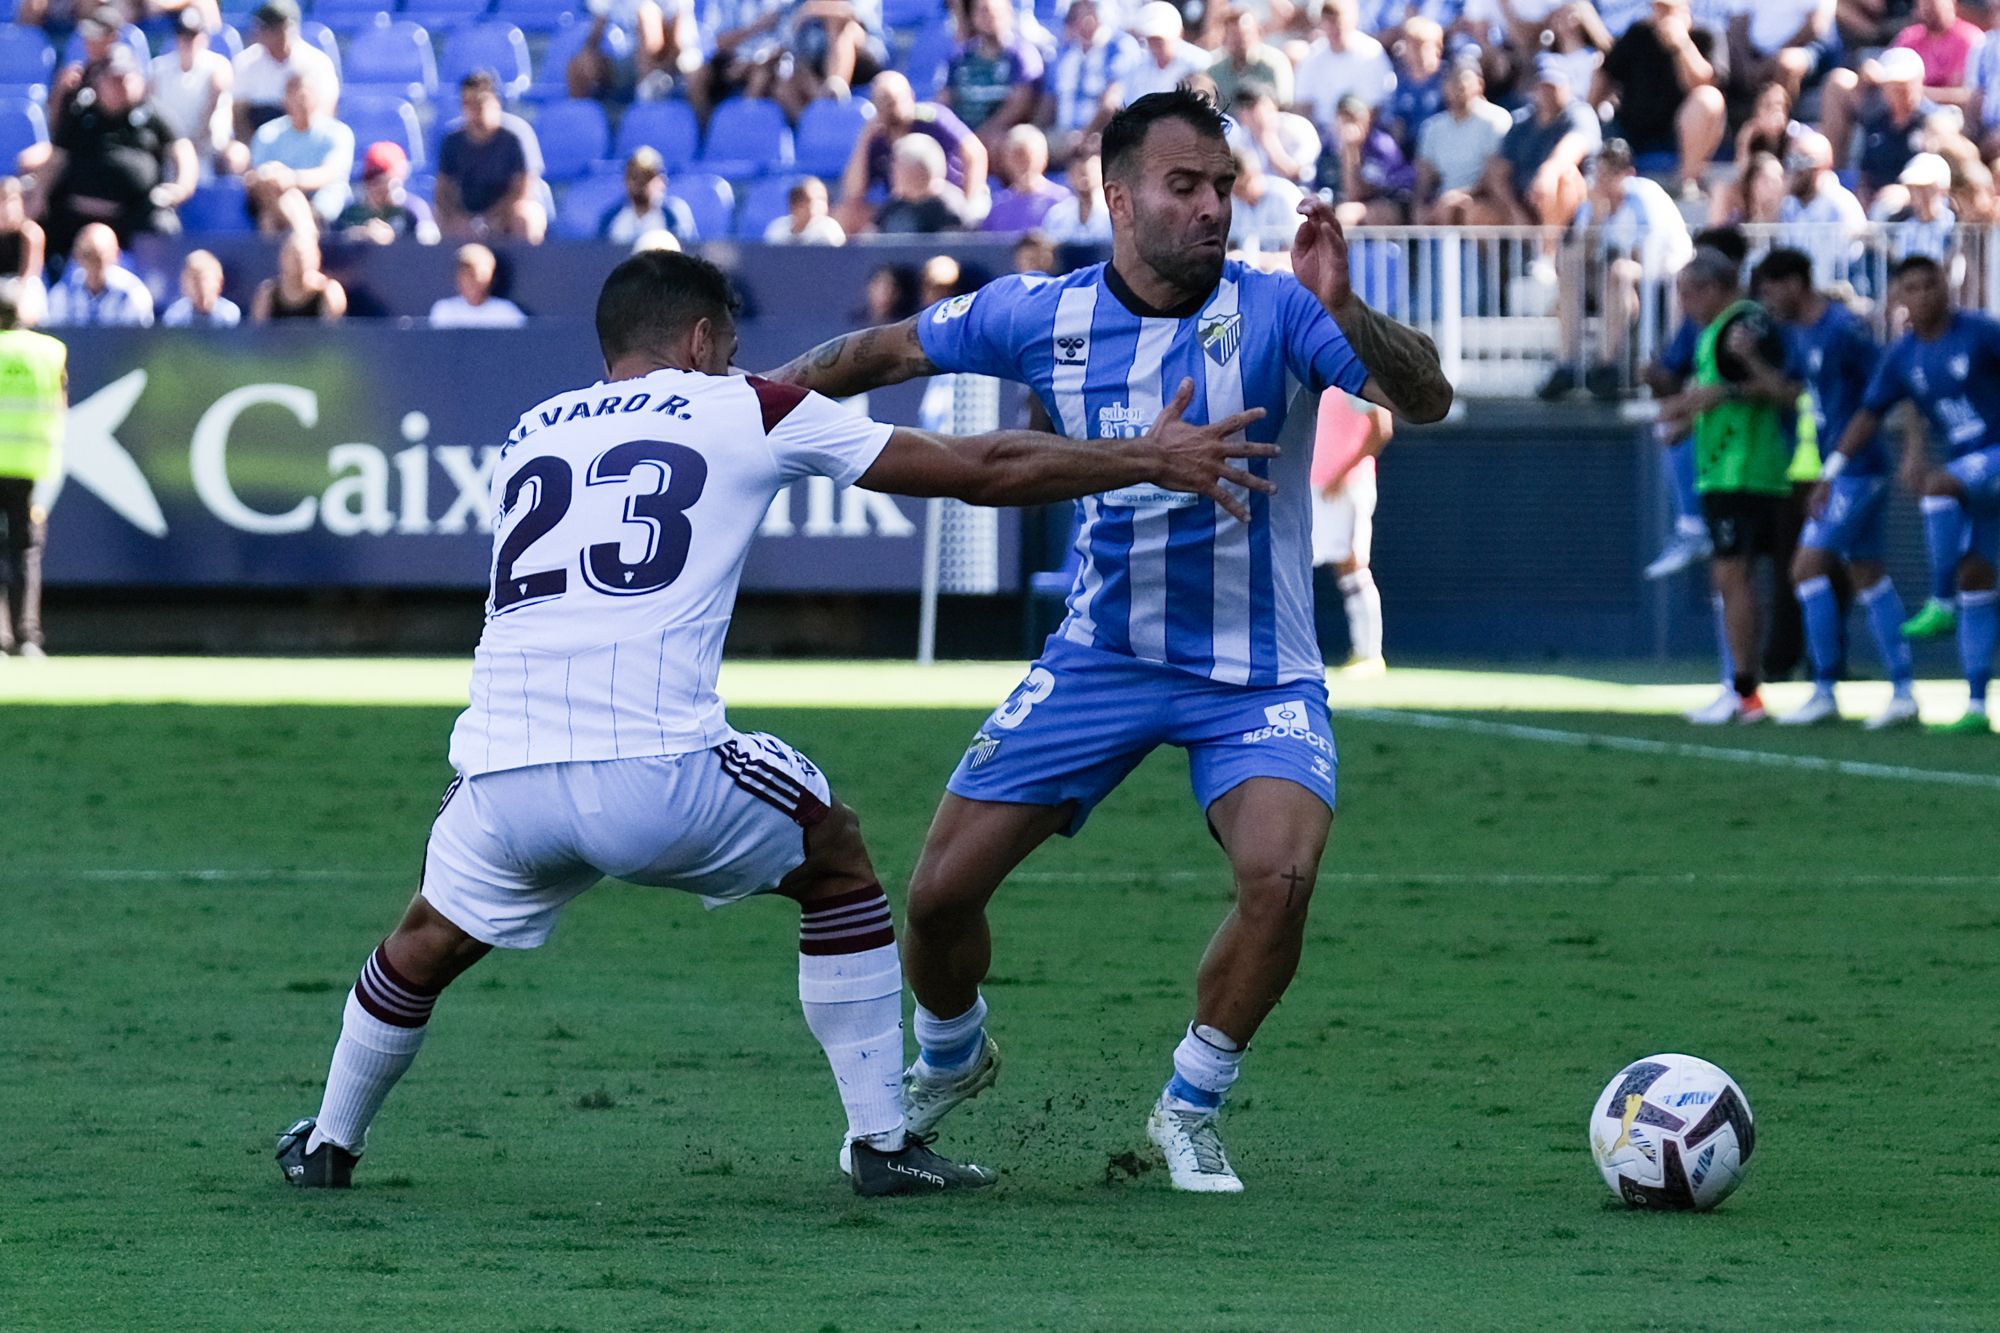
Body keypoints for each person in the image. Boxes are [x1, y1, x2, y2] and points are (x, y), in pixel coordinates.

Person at [271, 246, 1274, 1196]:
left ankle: (327, 1139)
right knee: (833, 852)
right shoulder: (740, 404)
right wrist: (1141, 456)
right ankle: (883, 1140)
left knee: (426, 937)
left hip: (498, 775)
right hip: (653, 770)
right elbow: (978, 469)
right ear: (704, 339)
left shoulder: (536, 426)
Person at [760, 88, 1452, 1193]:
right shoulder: (1041, 312)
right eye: (1184, 186)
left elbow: (1425, 398)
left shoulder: (1277, 310)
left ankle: (1190, 1101)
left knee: (1277, 878)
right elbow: (877, 354)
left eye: (1223, 187)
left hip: (1252, 673)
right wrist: (739, 405)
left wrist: (1349, 308)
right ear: (1116, 196)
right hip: (1101, 659)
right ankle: (951, 1054)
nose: (1211, 208)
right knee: (937, 898)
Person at [1824, 254, 2000, 733]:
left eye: (1931, 284)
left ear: (1947, 287)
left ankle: (1938, 602)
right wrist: (1832, 470)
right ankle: (1979, 706)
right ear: (1898, 298)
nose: (1923, 295)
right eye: (1912, 288)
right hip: (1977, 472)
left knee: (1939, 488)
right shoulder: (1902, 356)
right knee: (1977, 578)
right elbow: (1870, 413)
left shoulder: (1982, 332)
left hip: (1992, 454)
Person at [1750, 247, 1917, 729]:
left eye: (1770, 288)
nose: (1767, 300)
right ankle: (1903, 692)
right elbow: (1794, 391)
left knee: (1805, 569)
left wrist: (1907, 446)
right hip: (1835, 466)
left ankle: (1825, 688)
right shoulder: (1799, 334)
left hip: (1857, 468)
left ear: (1796, 283)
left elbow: (1887, 388)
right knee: (1867, 574)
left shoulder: (1843, 331)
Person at [1658, 247, 1805, 725]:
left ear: (1715, 288)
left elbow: (1783, 390)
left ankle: (1744, 692)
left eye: (1688, 293)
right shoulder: (1718, 332)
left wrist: (1716, 395)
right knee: (1734, 580)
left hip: (1743, 470)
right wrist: (1692, 416)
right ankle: (1742, 688)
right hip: (1726, 467)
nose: (1685, 304)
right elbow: (1723, 393)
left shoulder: (1745, 325)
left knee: (1733, 579)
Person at [1543, 139, 1691, 400]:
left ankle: (1606, 364)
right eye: (1600, 172)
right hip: (1615, 278)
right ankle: (1567, 364)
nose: (1603, 179)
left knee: (1620, 271)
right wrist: (1597, 220)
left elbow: (1648, 253)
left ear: (1627, 174)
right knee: (1570, 261)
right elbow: (1580, 255)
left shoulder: (1645, 196)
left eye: (1611, 173)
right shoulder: (1593, 204)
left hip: (1663, 273)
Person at [33, 47, 195, 259]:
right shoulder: (81, 114)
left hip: (133, 213)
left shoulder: (151, 114)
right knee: (35, 224)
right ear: (99, 82)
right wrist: (39, 194)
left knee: (163, 227)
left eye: (127, 79)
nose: (121, 86)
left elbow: (182, 149)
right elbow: (57, 157)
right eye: (114, 80)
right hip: (77, 211)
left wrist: (181, 188)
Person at [1594, 0, 1725, 199]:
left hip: (1680, 140)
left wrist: (1681, 45)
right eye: (1657, 8)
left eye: (1668, 9)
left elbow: (1705, 82)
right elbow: (1605, 75)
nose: (1661, 14)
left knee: (1709, 99)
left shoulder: (1705, 34)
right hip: (1634, 133)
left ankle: (1685, 183)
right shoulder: (1638, 34)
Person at [836, 71, 987, 236]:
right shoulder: (877, 136)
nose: (888, 108)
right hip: (900, 204)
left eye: (892, 101)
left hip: (941, 199)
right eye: (881, 102)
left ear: (910, 97)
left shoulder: (931, 118)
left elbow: (975, 153)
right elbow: (854, 191)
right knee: (848, 213)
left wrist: (969, 200)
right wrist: (864, 139)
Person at [0, 281, 64, 658]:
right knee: (25, 552)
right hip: (29, 466)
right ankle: (28, 638)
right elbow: (60, 403)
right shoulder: (49, 352)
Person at [1310, 389, 1391, 674]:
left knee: (1353, 566)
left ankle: (1369, 656)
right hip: (1315, 487)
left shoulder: (1357, 373)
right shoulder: (1315, 372)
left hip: (1348, 488)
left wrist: (1342, 475)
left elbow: (1382, 429)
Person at [1470, 55, 1596, 228]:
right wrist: (1515, 211)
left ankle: (1548, 250)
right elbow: (1499, 169)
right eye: (1542, 86)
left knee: (1563, 178)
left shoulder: (1579, 114)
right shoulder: (1522, 121)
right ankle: (1515, 252)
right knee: (1476, 212)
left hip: (1572, 204)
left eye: (1553, 86)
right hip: (1523, 202)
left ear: (1567, 86)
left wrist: (1547, 174)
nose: (1546, 92)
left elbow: (1573, 147)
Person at [436, 71, 548, 245]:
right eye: (467, 104)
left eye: (480, 103)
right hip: (468, 215)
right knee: (437, 219)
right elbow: (442, 191)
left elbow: (522, 190)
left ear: (496, 102)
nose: (474, 111)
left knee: (525, 218)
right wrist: (460, 219)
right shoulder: (451, 140)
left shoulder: (516, 136)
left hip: (508, 212)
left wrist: (489, 220)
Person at [243, 71, 353, 234]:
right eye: (295, 92)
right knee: (271, 209)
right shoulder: (268, 133)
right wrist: (276, 179)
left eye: (307, 92)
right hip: (275, 200)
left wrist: (292, 179)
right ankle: (303, 236)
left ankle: (299, 236)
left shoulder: (338, 132)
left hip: (321, 201)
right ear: (285, 99)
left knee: (271, 219)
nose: (302, 98)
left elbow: (331, 172)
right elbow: (259, 176)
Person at [1413, 60, 1510, 225]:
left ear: (1479, 84)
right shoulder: (1433, 127)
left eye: (1462, 79)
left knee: (1471, 213)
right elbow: (1424, 174)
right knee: (1423, 213)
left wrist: (1462, 194)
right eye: (1451, 80)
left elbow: (1495, 170)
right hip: (1443, 197)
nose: (1457, 86)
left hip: (1482, 196)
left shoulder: (1496, 119)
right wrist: (1420, 204)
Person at [941, 0, 1044, 153]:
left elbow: (1019, 104)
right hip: (962, 133)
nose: (989, 17)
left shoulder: (1021, 55)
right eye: (983, 11)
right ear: (973, 17)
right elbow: (944, 99)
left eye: (994, 11)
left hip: (999, 135)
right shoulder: (960, 57)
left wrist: (981, 135)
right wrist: (953, 131)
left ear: (1008, 13)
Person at [1044, 0, 1139, 165]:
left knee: (1101, 148)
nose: (1085, 21)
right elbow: (1049, 100)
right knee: (1025, 144)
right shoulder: (1063, 50)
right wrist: (1035, 131)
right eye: (1078, 14)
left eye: (1090, 13)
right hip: (1063, 131)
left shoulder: (1119, 46)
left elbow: (1112, 102)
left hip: (1102, 130)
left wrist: (1084, 135)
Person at [231, 0, 336, 141]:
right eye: (265, 28)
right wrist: (252, 148)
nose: (271, 34)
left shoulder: (317, 62)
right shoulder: (245, 61)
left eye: (277, 28)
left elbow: (325, 111)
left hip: (302, 137)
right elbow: (238, 114)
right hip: (257, 136)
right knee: (236, 155)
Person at [1292, 0, 1396, 138]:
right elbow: (1302, 106)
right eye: (1327, 19)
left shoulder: (1371, 53)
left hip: (1362, 135)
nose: (1333, 26)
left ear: (1353, 18)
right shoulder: (1313, 56)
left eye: (1337, 19)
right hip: (1322, 135)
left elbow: (1376, 108)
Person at [148, 8, 232, 174]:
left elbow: (215, 110)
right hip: (169, 149)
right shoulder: (158, 69)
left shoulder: (217, 66)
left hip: (204, 150)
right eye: (183, 35)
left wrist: (195, 144)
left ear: (203, 37)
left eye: (193, 35)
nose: (188, 41)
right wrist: (172, 146)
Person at [566, 0, 696, 103]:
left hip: (670, 62)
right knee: (580, 64)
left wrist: (663, 71)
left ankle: (648, 95)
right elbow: (594, 36)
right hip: (624, 62)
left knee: (647, 11)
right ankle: (578, 123)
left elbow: (678, 43)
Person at [45, 221, 152, 325]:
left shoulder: (133, 293)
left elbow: (136, 339)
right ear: (76, 256)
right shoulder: (63, 291)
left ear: (116, 255)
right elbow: (56, 332)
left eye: (99, 257)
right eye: (87, 255)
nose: (93, 264)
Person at [335, 141, 439, 245]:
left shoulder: (413, 210)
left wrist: (393, 240)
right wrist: (359, 235)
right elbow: (333, 245)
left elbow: (431, 245)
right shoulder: (351, 213)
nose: (378, 189)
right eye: (373, 183)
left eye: (386, 182)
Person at [980, 124, 1072, 233]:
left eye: (1028, 157)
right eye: (1016, 156)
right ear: (1005, 160)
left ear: (1044, 158)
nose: (1022, 164)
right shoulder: (997, 207)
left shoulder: (1063, 202)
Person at [599, 146, 696, 246]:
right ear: (625, 180)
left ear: (662, 181)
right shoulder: (611, 217)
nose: (640, 183)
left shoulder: (673, 215)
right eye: (634, 176)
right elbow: (598, 254)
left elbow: (686, 253)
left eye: (647, 177)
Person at [872, 135, 967, 234]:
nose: (892, 174)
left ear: (918, 171)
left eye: (898, 168)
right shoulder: (892, 209)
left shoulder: (952, 210)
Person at [250, 228, 345, 322]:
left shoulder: (329, 291)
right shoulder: (268, 292)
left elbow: (331, 332)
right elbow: (259, 331)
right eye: (293, 255)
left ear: (317, 257)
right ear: (283, 258)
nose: (299, 261)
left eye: (304, 256)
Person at [1209, 7, 1292, 112]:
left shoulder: (1274, 64)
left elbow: (1284, 104)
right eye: (1233, 35)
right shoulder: (1215, 71)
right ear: (1224, 39)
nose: (1239, 41)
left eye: (1244, 34)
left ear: (1259, 33)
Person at [1125, 1, 1210, 102]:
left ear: (1180, 34)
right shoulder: (1139, 66)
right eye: (1152, 40)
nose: (1157, 45)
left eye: (1161, 40)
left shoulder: (1199, 62)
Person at [1226, 139, 1304, 248]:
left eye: (1242, 186)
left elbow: (1302, 253)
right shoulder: (1232, 204)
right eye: (1234, 189)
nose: (1238, 193)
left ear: (1256, 173)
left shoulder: (1285, 196)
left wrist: (1256, 259)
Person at [428, 242, 527, 328]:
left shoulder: (506, 311)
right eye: (464, 273)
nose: (470, 280)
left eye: (475, 274)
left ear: (491, 277)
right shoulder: (444, 310)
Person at [0, 178, 47, 328]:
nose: (6, 207)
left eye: (11, 201)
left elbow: (31, 274)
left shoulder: (30, 233)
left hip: (20, 285)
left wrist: (14, 296)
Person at [1038, 147, 1112, 242]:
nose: (1084, 176)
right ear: (1069, 175)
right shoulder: (1057, 215)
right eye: (1078, 171)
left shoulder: (1114, 214)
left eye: (1090, 170)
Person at [161, 247, 239, 325]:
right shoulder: (175, 316)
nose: (198, 285)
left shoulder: (229, 315)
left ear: (219, 282)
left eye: (203, 279)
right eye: (193, 279)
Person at [762, 176, 845, 244]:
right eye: (818, 200)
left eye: (824, 200)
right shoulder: (777, 228)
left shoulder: (829, 229)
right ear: (795, 205)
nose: (823, 206)